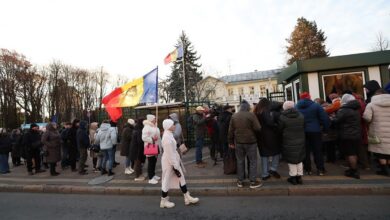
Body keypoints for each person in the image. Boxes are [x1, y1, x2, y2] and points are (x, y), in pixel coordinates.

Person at [160, 119, 199, 209]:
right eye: (172, 125)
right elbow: (170, 154)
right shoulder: (166, 137)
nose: (174, 126)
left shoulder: (168, 134)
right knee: (166, 180)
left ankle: (187, 196)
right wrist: (175, 165)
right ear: (168, 126)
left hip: (173, 161)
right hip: (169, 162)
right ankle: (163, 200)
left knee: (181, 178)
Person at [228, 100, 262, 189]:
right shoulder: (251, 115)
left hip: (239, 142)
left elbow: (230, 131)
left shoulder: (234, 116)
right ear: (248, 107)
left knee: (240, 161)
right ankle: (253, 181)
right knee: (253, 161)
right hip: (251, 141)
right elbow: (258, 128)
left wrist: (231, 142)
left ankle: (240, 181)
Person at [296, 92, 330, 176]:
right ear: (309, 97)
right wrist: (326, 129)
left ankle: (308, 169)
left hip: (302, 131)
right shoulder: (316, 106)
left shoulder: (296, 107)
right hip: (315, 131)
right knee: (317, 150)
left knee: (305, 151)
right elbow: (324, 118)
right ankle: (320, 169)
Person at [332, 94, 362, 179]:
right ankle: (352, 169)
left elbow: (337, 121)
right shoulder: (356, 109)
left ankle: (354, 171)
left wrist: (332, 119)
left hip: (347, 134)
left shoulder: (344, 110)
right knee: (354, 153)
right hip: (356, 133)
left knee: (350, 153)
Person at [363, 88, 390, 176]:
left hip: (377, 130)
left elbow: (367, 117)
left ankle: (384, 170)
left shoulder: (371, 105)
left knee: (380, 151)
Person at [254, 98, 282, 181]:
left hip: (260, 135)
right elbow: (269, 122)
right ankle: (273, 169)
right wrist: (276, 126)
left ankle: (264, 174)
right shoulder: (265, 110)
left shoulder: (256, 111)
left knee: (264, 155)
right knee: (276, 152)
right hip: (270, 135)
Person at [279, 101, 305, 185]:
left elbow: (280, 129)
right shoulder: (300, 115)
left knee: (291, 159)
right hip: (300, 139)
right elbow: (304, 126)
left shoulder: (282, 117)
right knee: (299, 158)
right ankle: (299, 177)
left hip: (288, 140)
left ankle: (293, 178)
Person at [142, 114, 161, 184]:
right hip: (150, 146)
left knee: (154, 161)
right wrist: (152, 139)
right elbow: (144, 137)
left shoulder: (153, 126)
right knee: (151, 162)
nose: (155, 119)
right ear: (150, 119)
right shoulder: (146, 127)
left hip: (155, 146)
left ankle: (153, 175)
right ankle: (150, 178)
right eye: (154, 118)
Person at [323, 93, 341, 163]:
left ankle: (331, 158)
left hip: (333, 127)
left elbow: (330, 110)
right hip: (335, 127)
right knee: (332, 143)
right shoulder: (335, 103)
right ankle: (333, 158)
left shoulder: (336, 103)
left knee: (330, 144)